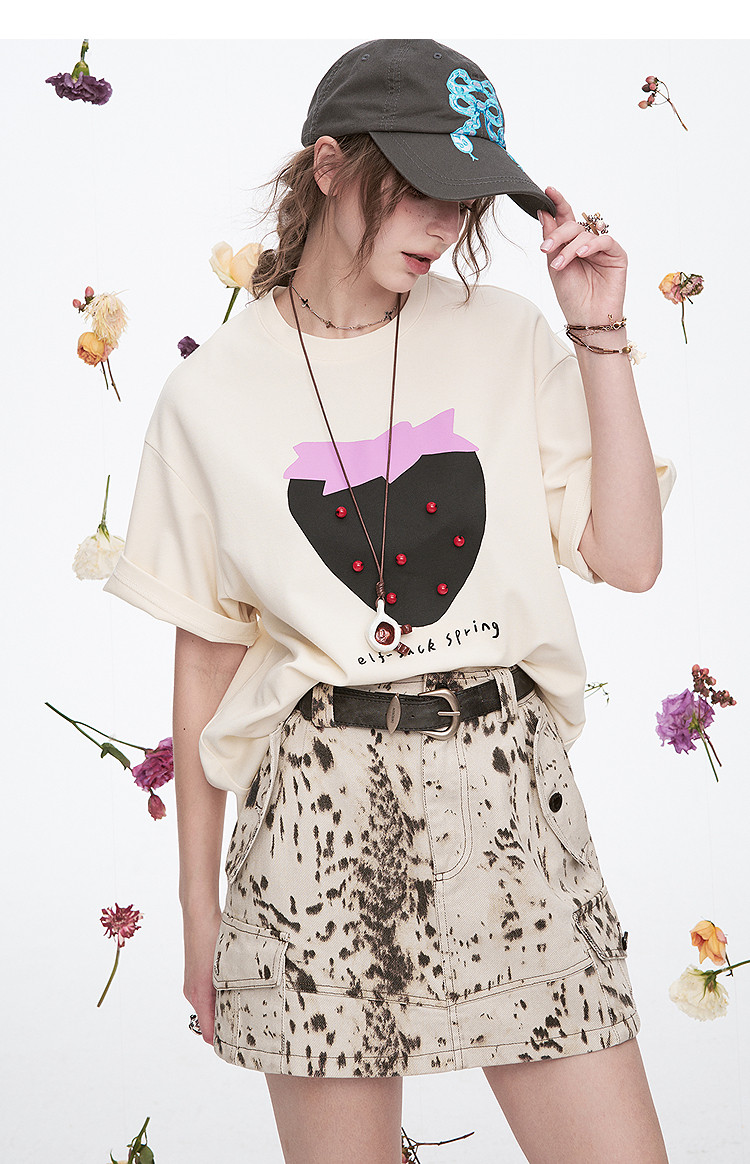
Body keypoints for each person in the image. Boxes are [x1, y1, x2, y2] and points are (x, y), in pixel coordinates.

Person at [105, 38, 675, 1164]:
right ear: (329, 166)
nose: (443, 223)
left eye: (465, 197)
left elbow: (629, 556)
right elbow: (207, 660)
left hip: (508, 797)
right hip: (312, 823)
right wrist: (199, 911)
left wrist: (597, 327)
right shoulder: (207, 396)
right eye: (416, 186)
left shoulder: (504, 333)